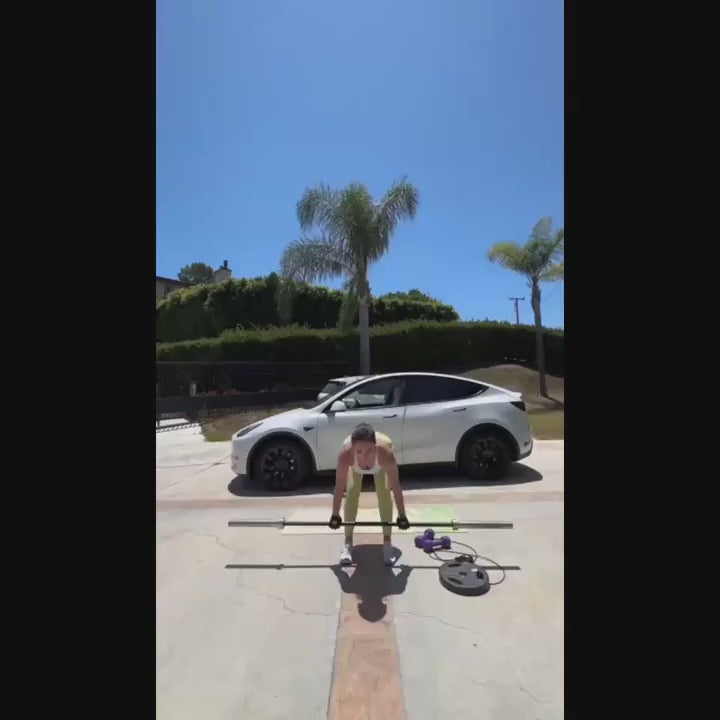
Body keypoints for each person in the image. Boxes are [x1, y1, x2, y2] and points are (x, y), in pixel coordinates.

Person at [328, 423, 410, 566]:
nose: (364, 456)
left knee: (384, 493)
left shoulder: (385, 454)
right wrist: (335, 514)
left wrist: (402, 515)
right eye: (359, 451)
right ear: (353, 449)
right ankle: (348, 544)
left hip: (382, 459)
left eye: (369, 451)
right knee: (352, 492)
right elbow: (339, 487)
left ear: (375, 446)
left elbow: (396, 486)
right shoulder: (346, 455)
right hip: (352, 459)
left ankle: (387, 543)